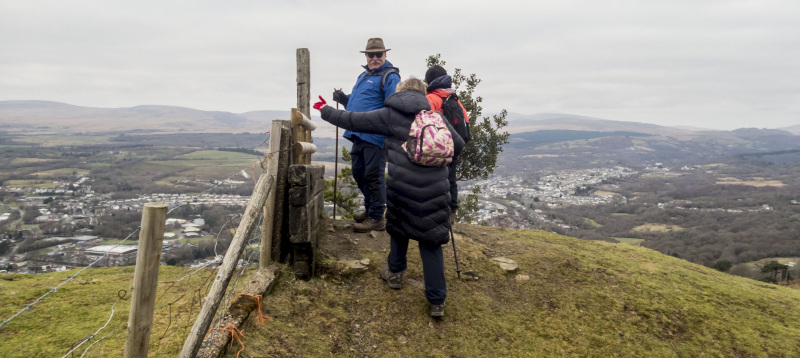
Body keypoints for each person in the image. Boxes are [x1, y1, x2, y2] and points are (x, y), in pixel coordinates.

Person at [314, 77, 465, 318]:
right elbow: (457, 145)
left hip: (402, 188)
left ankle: (394, 274)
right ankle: (437, 300)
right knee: (430, 243)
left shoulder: (390, 115)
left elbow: (353, 120)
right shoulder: (436, 117)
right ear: (423, 94)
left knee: (399, 229)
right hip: (435, 190)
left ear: (400, 92)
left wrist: (325, 110)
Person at [332, 38, 401, 233]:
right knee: (359, 173)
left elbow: (392, 107)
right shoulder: (363, 76)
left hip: (376, 136)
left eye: (379, 54)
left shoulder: (390, 77)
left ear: (385, 55)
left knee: (373, 175)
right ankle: (371, 209)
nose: (375, 58)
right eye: (371, 54)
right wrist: (344, 99)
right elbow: (355, 106)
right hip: (358, 134)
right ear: (366, 56)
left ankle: (377, 216)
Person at [425, 65, 471, 223]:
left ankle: (436, 210)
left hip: (438, 147)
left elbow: (424, 122)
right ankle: (451, 211)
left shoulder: (431, 98)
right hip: (455, 145)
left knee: (435, 179)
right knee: (451, 178)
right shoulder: (453, 98)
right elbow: (465, 120)